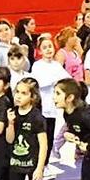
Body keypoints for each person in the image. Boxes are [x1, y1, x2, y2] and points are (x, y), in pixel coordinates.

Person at [5, 77, 52, 180]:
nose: (18, 96)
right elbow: (10, 140)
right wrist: (10, 123)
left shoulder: (37, 118)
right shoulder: (13, 114)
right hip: (16, 163)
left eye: (23, 93)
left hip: (32, 164)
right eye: (17, 92)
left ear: (32, 97)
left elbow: (43, 145)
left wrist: (40, 168)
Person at [31, 34, 69, 171]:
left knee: (50, 136)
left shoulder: (56, 65)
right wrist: (54, 81)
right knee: (41, 138)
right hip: (40, 108)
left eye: (50, 47)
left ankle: (45, 164)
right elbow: (39, 83)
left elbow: (66, 79)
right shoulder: (37, 65)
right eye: (45, 48)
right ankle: (38, 164)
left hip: (52, 108)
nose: (48, 50)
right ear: (40, 51)